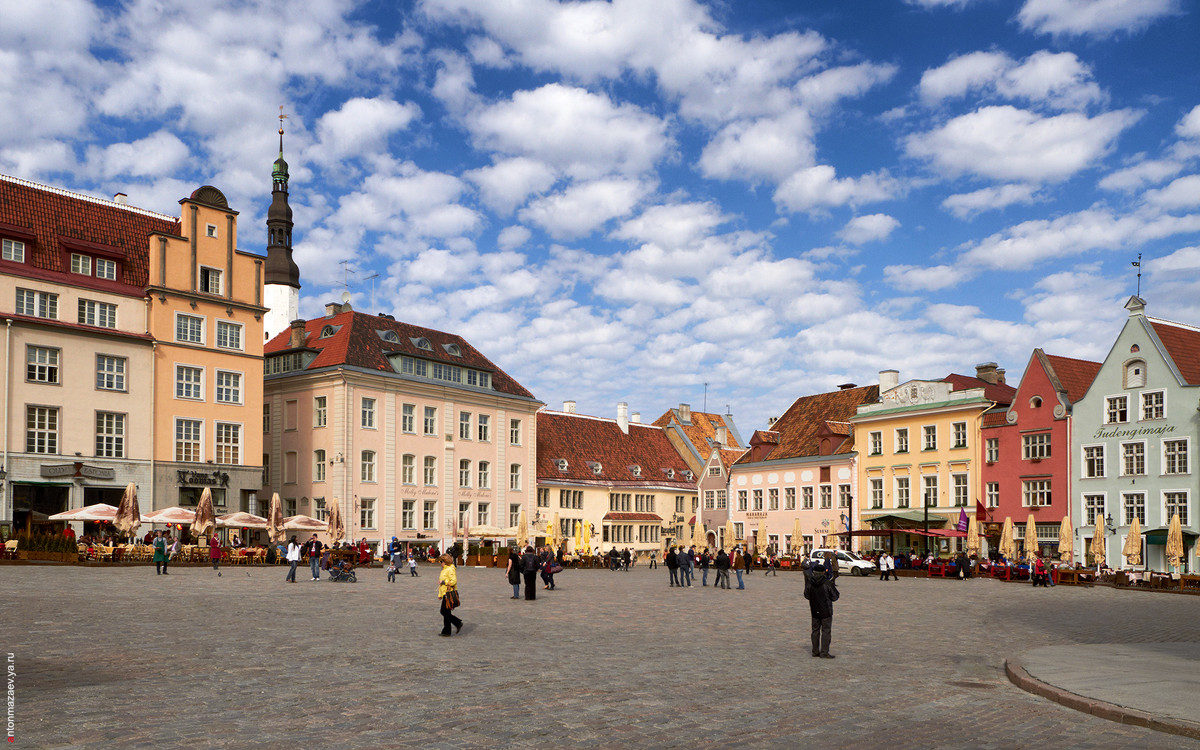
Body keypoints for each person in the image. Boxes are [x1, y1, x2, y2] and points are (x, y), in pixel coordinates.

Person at [804, 561, 838, 658]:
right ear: (823, 572)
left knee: (815, 630)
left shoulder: (810, 583)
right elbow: (835, 596)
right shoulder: (827, 583)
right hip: (826, 610)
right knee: (826, 631)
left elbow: (806, 595)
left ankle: (815, 651)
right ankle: (824, 652)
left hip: (814, 609)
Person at [437, 553, 463, 636]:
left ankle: (457, 622)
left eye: (441, 561)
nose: (440, 563)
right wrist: (440, 594)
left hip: (449, 593)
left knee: (444, 611)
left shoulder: (450, 569)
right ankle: (446, 631)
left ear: (444, 561)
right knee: (446, 612)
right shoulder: (444, 569)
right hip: (445, 592)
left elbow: (453, 581)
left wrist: (444, 582)